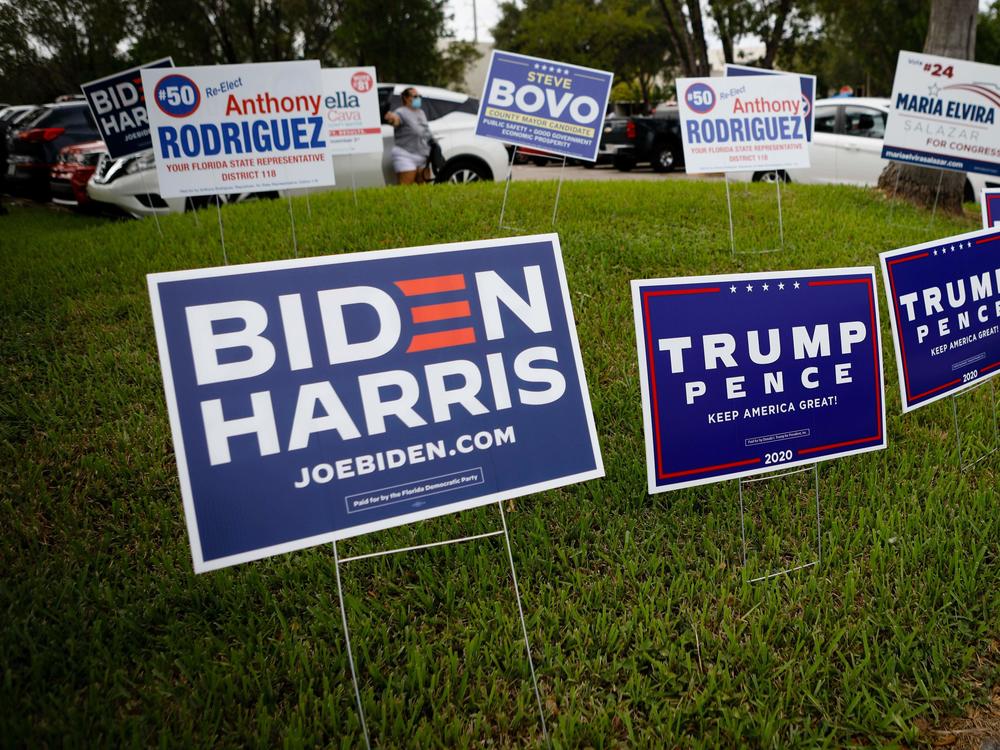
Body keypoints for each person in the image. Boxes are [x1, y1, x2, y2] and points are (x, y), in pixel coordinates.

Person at [385, 88, 433, 185]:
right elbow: (396, 121)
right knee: (406, 188)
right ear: (406, 98)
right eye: (415, 96)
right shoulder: (401, 112)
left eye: (420, 96)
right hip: (406, 155)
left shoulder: (421, 112)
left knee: (424, 188)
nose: (418, 98)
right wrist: (391, 119)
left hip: (423, 155)